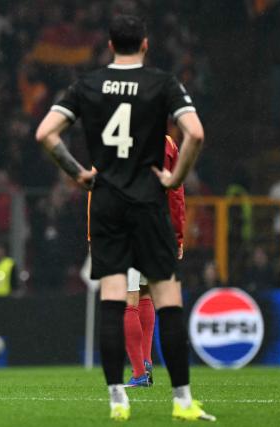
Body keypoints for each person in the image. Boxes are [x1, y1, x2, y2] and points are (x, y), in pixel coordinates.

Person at [35, 15, 214, 421]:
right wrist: (175, 178)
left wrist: (77, 172)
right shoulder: (163, 85)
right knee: (166, 299)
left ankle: (118, 397)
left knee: (116, 301)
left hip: (109, 204)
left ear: (110, 46)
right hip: (150, 204)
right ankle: (183, 400)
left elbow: (46, 133)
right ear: (146, 45)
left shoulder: (88, 85)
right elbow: (197, 135)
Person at [124, 135, 185, 388]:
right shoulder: (168, 142)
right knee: (146, 292)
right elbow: (176, 192)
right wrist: (177, 235)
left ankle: (139, 373)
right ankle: (146, 363)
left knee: (127, 299)